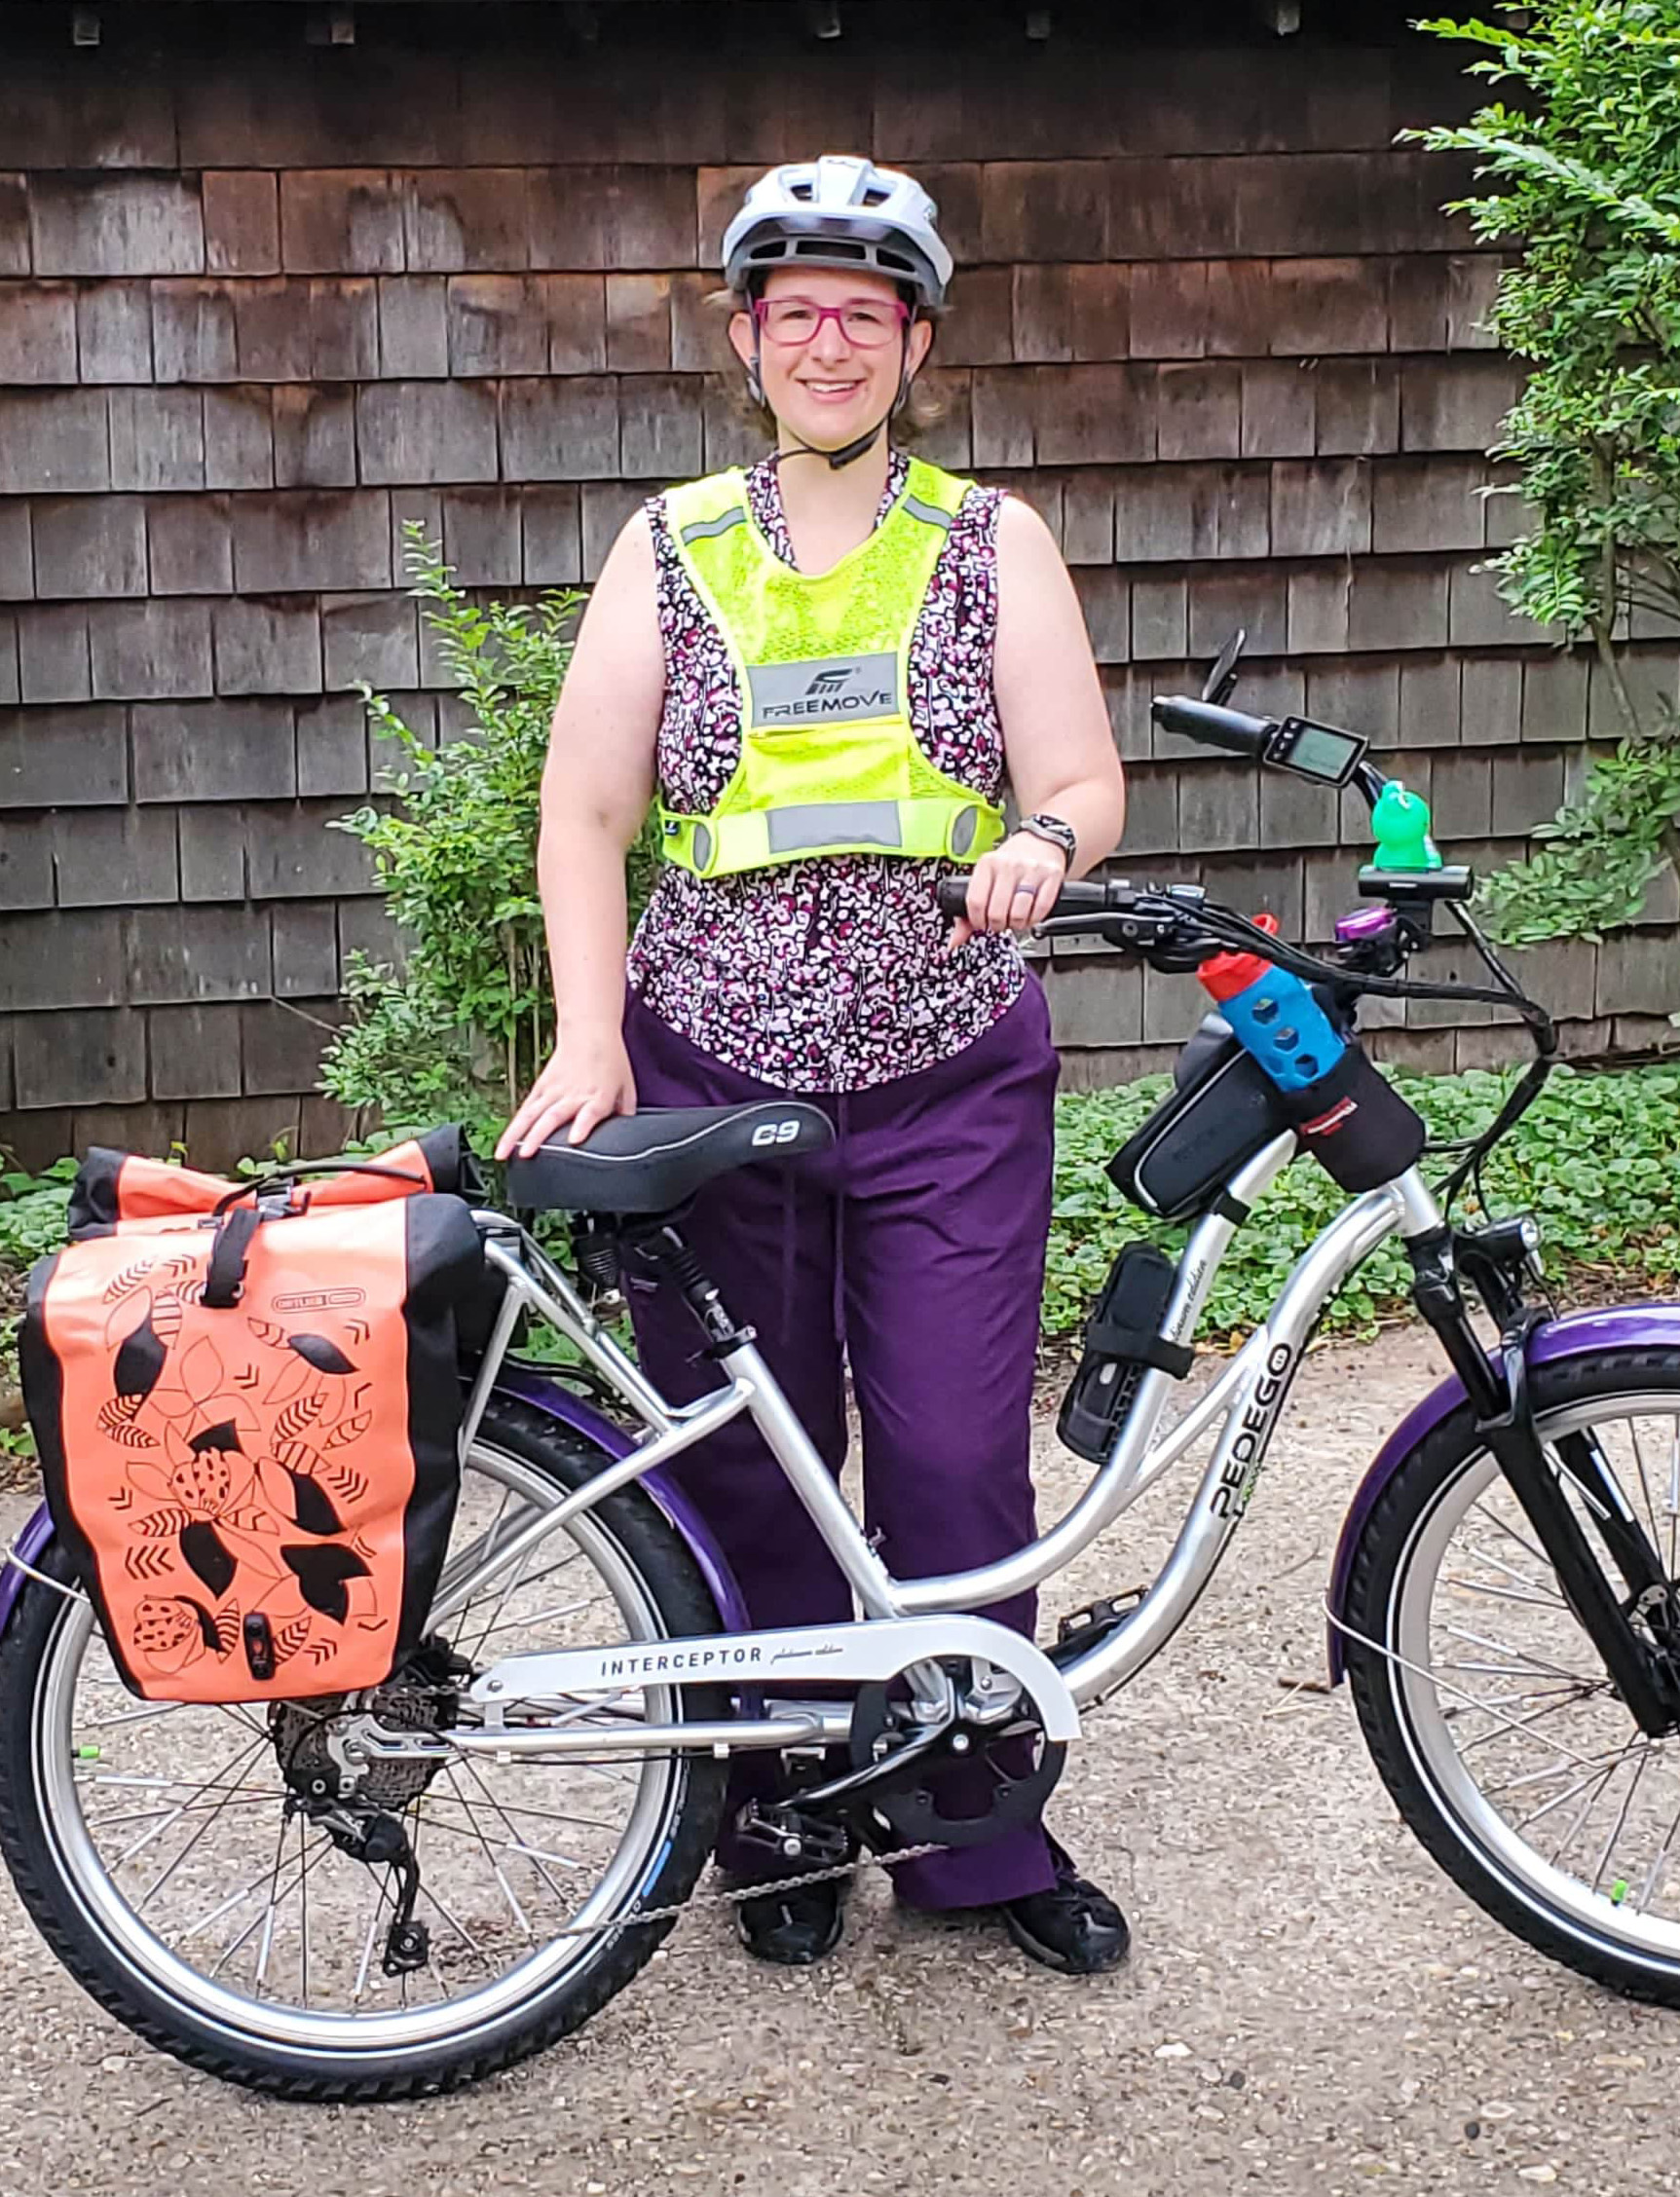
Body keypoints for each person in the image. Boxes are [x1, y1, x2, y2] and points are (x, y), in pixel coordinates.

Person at [496, 157, 1130, 1974]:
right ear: (748, 343)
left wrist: (1048, 850)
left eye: (866, 313)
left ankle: (972, 1830)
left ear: (915, 341)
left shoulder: (994, 541)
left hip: (949, 1080)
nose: (830, 342)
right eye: (796, 315)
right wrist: (596, 1036)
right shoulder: (670, 549)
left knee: (947, 1461)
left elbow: (1079, 781)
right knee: (751, 1471)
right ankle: (781, 1814)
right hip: (714, 1084)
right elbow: (586, 814)